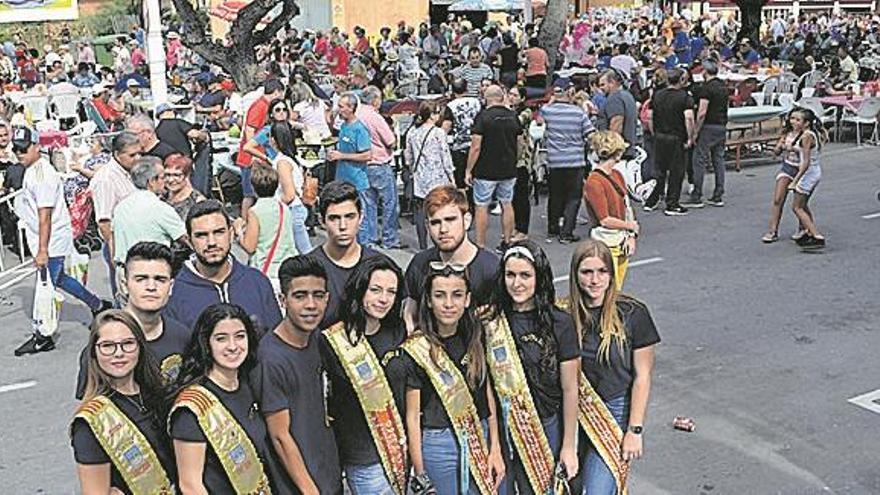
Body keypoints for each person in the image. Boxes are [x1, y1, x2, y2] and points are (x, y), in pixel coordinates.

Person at [483, 241, 580, 494]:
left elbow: (571, 389)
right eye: (510, 275)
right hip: (501, 429)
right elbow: (487, 388)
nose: (517, 283)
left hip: (545, 426)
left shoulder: (561, 322)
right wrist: (494, 443)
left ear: (539, 276)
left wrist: (568, 445)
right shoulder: (490, 321)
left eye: (525, 275)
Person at [398, 264, 505, 495]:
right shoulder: (417, 349)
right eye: (439, 295)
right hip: (439, 444)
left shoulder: (476, 336)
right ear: (428, 300)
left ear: (467, 300)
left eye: (457, 295)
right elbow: (413, 416)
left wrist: (495, 446)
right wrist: (420, 473)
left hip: (479, 434)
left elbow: (488, 397)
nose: (448, 304)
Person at [567, 240, 660, 495]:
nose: (594, 280)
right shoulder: (563, 315)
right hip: (570, 416)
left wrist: (634, 430)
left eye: (602, 271)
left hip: (614, 411)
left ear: (611, 274)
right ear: (575, 274)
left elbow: (643, 377)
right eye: (587, 272)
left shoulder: (633, 313)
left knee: (596, 489)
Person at [12, 127, 109, 356]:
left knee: (44, 287)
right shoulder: (32, 169)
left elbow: (45, 215)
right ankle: (98, 305)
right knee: (60, 279)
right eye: (15, 149)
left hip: (51, 239)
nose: (18, 153)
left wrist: (43, 250)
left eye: (23, 148)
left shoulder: (42, 176)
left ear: (36, 146)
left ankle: (43, 335)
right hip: (45, 237)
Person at [169, 303, 282, 494]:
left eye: (240, 336)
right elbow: (190, 485)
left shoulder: (248, 385)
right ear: (206, 344)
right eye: (221, 338)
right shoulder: (193, 407)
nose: (232, 346)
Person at [319, 257, 409, 494]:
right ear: (360, 289)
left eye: (391, 292)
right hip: (363, 455)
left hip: (399, 447)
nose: (383, 299)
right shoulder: (333, 339)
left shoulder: (398, 330)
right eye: (376, 290)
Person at [256, 256, 344, 494]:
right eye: (300, 296)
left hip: (329, 475)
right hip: (300, 486)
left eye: (318, 295)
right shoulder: (271, 358)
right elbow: (280, 437)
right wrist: (309, 489)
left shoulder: (317, 338)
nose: (311, 305)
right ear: (283, 300)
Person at [70, 310, 175, 494]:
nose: (119, 353)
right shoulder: (92, 423)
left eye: (127, 344)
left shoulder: (159, 394)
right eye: (108, 346)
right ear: (94, 353)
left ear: (140, 347)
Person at [75, 242, 190, 398]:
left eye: (160, 279)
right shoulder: (103, 346)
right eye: (141, 279)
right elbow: (90, 412)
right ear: (124, 284)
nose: (151, 286)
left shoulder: (182, 336)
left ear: (170, 287)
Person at [165, 200, 283, 331]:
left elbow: (276, 340)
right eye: (201, 235)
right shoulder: (174, 294)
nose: (211, 242)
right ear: (189, 241)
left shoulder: (257, 282)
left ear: (231, 234)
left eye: (219, 232)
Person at [403, 184, 498, 331]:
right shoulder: (419, 263)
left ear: (466, 220)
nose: (443, 230)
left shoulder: (491, 269)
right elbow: (410, 314)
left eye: (450, 220)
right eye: (435, 222)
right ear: (427, 226)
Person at [305, 181, 391, 329]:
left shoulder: (381, 265)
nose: (343, 226)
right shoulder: (307, 268)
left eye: (350, 217)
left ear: (361, 217)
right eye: (334, 218)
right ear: (322, 221)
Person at [112, 157, 188, 287]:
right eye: (163, 177)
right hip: (150, 273)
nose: (166, 181)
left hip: (124, 272)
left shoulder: (121, 206)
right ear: (152, 181)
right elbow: (186, 239)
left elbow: (112, 239)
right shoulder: (161, 208)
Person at [539, 81, 595, 245]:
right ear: (570, 93)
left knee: (555, 195)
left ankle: (553, 227)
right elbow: (590, 134)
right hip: (575, 161)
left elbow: (540, 122)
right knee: (573, 197)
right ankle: (567, 232)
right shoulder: (578, 113)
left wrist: (552, 100)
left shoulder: (547, 111)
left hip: (555, 161)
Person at [466, 85, 521, 250]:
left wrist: (469, 169)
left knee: (481, 205)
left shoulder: (483, 117)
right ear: (501, 97)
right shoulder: (513, 116)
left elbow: (475, 146)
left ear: (486, 98)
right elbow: (520, 142)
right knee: (507, 203)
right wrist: (515, 159)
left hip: (486, 169)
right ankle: (507, 240)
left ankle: (480, 244)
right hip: (508, 168)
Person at [583, 131, 640, 289]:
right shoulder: (594, 182)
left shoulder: (617, 174)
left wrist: (631, 236)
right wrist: (631, 227)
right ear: (617, 152)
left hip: (621, 240)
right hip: (605, 242)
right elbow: (604, 220)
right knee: (609, 289)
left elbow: (627, 206)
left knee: (618, 288)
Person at [763, 109, 826, 249]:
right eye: (792, 119)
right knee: (778, 199)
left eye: (797, 120)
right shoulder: (788, 133)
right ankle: (773, 230)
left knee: (800, 205)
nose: (793, 122)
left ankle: (809, 231)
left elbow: (806, 160)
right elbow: (777, 151)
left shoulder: (806, 136)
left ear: (806, 123)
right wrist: (779, 148)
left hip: (803, 171)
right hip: (789, 167)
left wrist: (796, 180)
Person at [88, 131, 139, 299]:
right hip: (119, 245)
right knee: (124, 295)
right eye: (132, 155)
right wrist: (115, 256)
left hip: (134, 239)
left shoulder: (128, 172)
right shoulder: (106, 180)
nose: (137, 158)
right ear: (117, 154)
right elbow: (104, 222)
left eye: (140, 153)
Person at [233, 163, 297, 292]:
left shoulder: (255, 211)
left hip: (266, 269)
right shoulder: (283, 208)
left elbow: (249, 247)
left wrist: (239, 232)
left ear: (253, 187)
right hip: (288, 268)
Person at [357, 86, 405, 250]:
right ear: (375, 100)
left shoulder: (356, 115)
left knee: (367, 203)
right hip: (379, 163)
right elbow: (391, 141)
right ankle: (389, 238)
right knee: (389, 203)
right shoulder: (375, 117)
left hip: (362, 165)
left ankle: (368, 238)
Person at [644, 69, 694, 216]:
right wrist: (690, 137)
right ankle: (672, 203)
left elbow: (650, 116)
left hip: (660, 136)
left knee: (659, 169)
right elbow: (689, 118)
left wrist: (654, 132)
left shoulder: (657, 95)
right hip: (676, 137)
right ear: (681, 80)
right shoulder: (685, 97)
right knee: (676, 171)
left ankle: (652, 200)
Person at [405, 101, 455, 249]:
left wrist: (413, 168)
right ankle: (439, 242)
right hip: (437, 178)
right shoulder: (438, 133)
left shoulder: (412, 132)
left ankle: (422, 245)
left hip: (420, 177)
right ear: (432, 115)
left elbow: (408, 157)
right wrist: (452, 177)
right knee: (438, 211)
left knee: (421, 212)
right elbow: (446, 157)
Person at [237, 79, 286, 219]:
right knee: (249, 194)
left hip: (256, 155)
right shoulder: (260, 106)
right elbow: (249, 130)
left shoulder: (263, 105)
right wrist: (255, 154)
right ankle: (245, 223)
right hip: (251, 157)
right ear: (277, 92)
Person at [683, 59, 728, 208]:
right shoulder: (723, 86)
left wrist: (695, 132)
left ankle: (697, 194)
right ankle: (718, 193)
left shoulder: (706, 89)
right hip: (721, 125)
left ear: (705, 71)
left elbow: (702, 112)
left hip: (708, 126)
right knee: (718, 159)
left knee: (699, 160)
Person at [268, 121, 312, 254]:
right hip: (295, 210)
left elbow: (289, 194)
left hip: (292, 212)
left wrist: (271, 205)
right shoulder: (290, 158)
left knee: (305, 253)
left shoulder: (282, 162)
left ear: (274, 140)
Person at [446, 78, 482, 197]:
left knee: (461, 182)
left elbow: (447, 126)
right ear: (466, 88)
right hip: (477, 144)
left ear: (453, 91)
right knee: (477, 179)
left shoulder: (450, 106)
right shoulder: (477, 102)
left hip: (459, 147)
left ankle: (464, 208)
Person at [597, 70, 638, 160]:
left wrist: (611, 151)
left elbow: (616, 124)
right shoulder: (627, 95)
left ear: (612, 82)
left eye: (603, 85)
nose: (601, 89)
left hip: (618, 154)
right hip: (626, 150)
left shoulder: (614, 98)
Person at [163, 153, 206, 221]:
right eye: (167, 175)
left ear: (187, 176)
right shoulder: (161, 197)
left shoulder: (197, 201)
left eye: (176, 175)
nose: (171, 180)